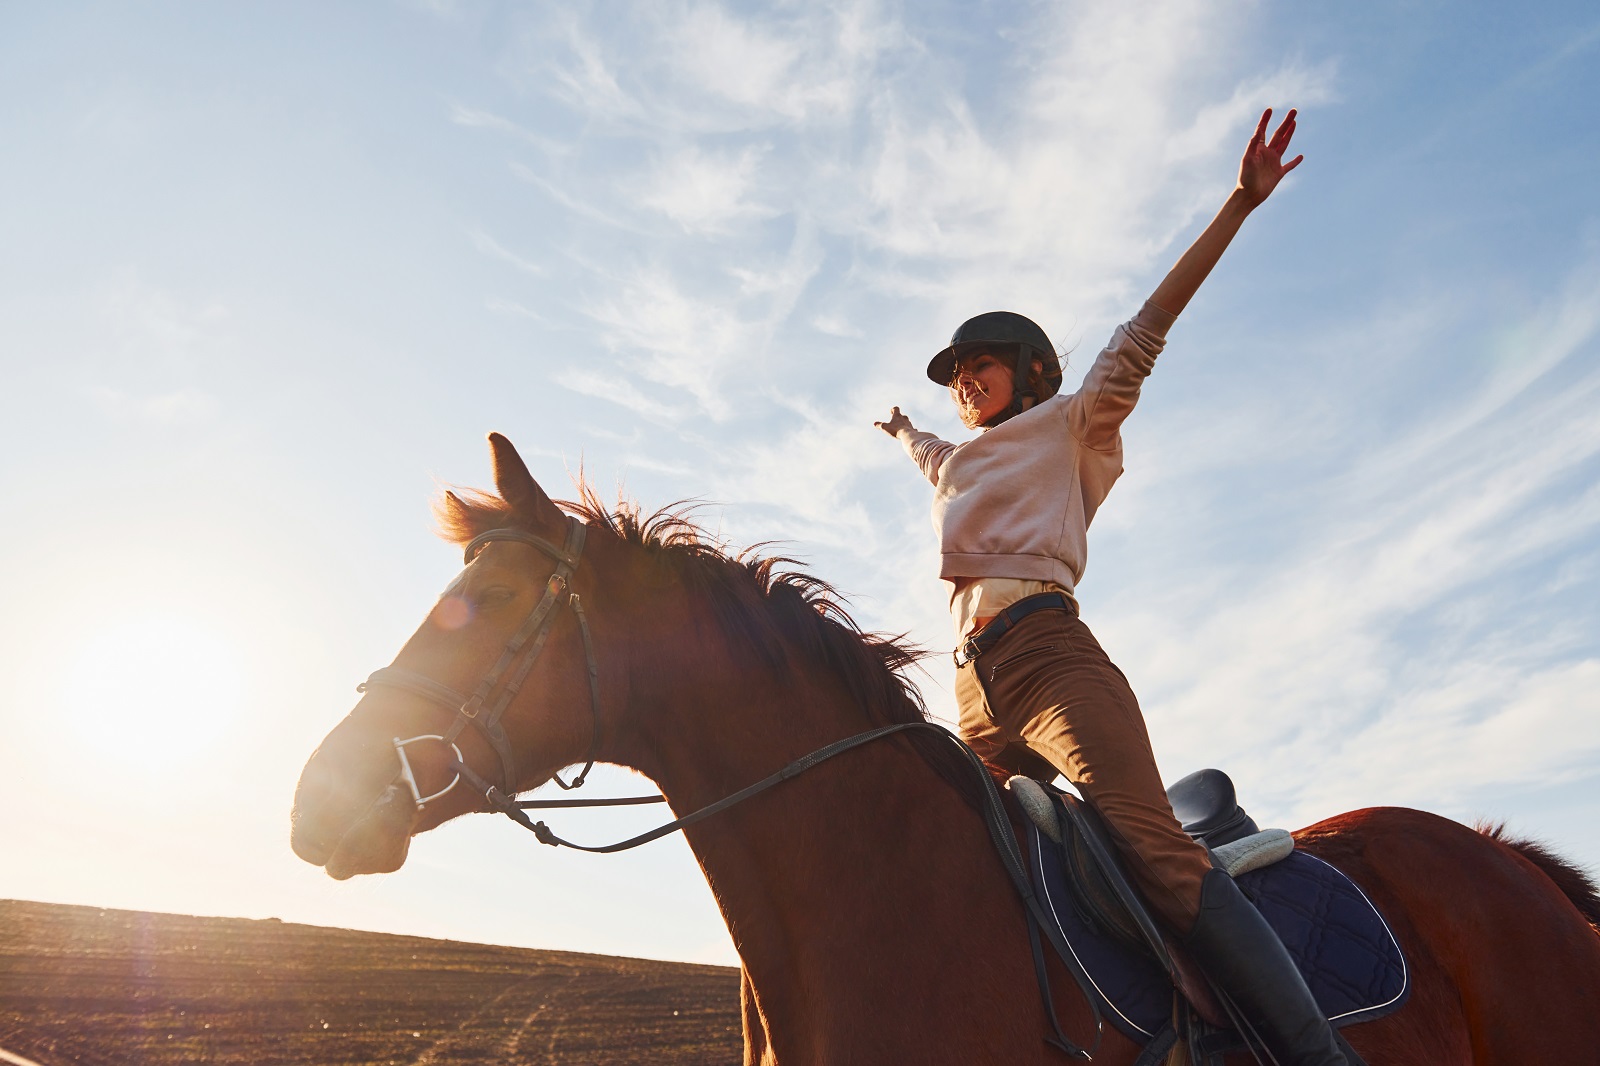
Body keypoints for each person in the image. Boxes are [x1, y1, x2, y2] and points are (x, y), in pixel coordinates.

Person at [876, 109, 1353, 1066]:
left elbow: (1149, 326)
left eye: (981, 366)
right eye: (956, 375)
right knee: (958, 854)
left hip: (1052, 660)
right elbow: (938, 460)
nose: (964, 384)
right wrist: (901, 433)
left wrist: (1239, 204)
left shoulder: (1074, 423)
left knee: (1154, 849)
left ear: (1033, 371)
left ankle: (1316, 1058)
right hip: (973, 686)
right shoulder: (960, 462)